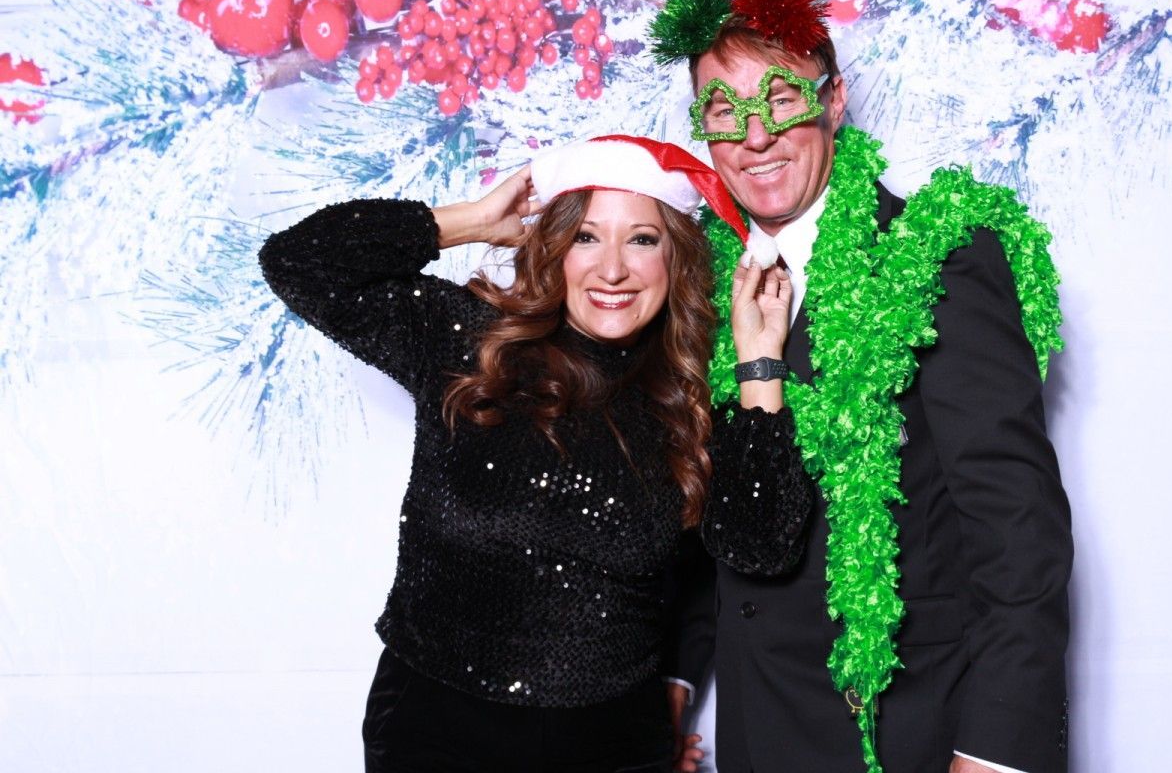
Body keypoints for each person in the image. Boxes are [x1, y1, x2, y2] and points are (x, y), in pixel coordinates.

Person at [258, 134, 810, 773]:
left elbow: (762, 548)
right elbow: (298, 262)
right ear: (555, 248)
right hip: (436, 734)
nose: (612, 269)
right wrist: (470, 221)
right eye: (586, 237)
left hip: (615, 747)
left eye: (641, 239)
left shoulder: (693, 398)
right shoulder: (471, 345)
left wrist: (759, 366)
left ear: (675, 259)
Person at [653, 0, 1073, 773]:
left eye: (781, 99)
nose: (756, 135)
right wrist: (669, 684)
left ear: (834, 102)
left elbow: (1017, 530)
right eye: (725, 110)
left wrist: (996, 751)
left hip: (905, 733)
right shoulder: (695, 275)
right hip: (755, 732)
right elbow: (697, 516)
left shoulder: (935, 258)